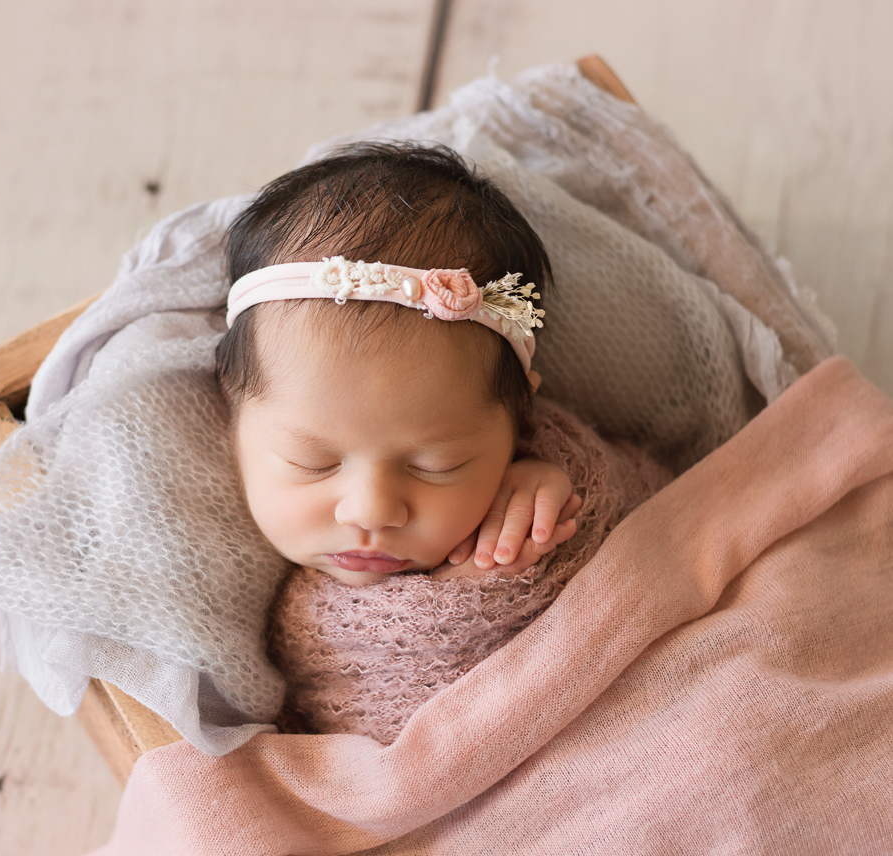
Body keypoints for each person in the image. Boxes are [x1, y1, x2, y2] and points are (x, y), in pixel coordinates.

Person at [215, 141, 670, 742]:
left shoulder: (555, 466)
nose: (373, 510)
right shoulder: (268, 619)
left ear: (517, 420)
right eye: (313, 462)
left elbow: (659, 508)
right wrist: (464, 598)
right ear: (233, 406)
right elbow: (357, 726)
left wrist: (568, 478)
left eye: (436, 465)